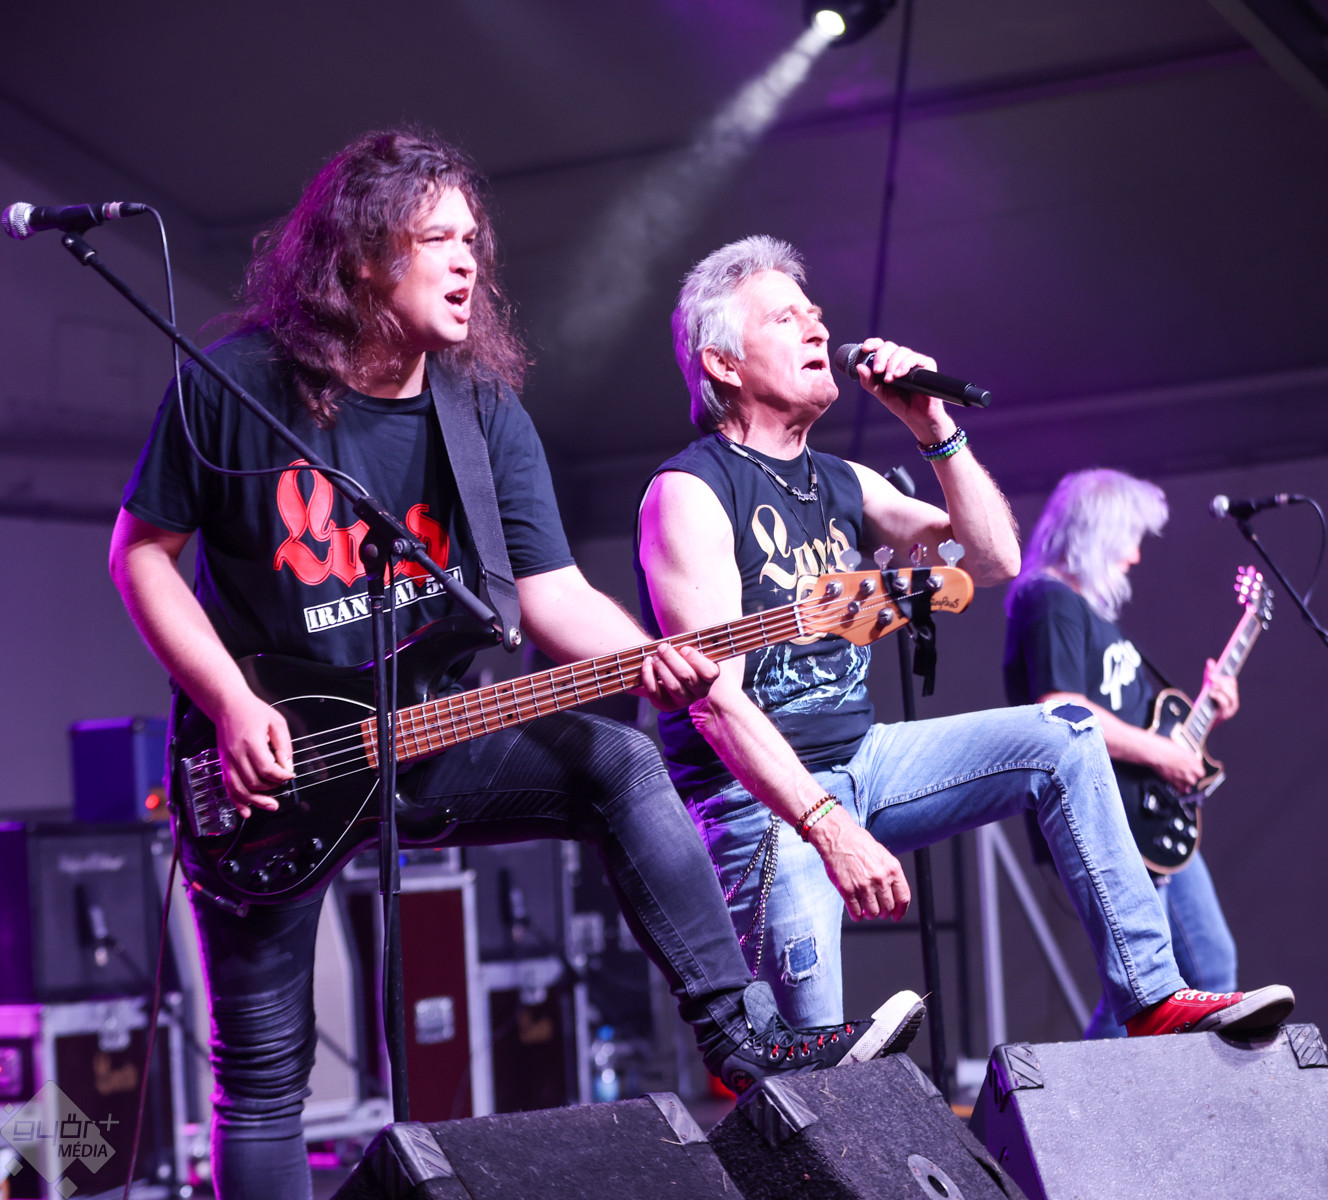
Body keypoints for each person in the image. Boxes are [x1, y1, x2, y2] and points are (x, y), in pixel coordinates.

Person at [108, 134, 920, 1200]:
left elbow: (548, 593)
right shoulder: (236, 385)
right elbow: (141, 557)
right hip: (270, 765)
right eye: (436, 239)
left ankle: (743, 1039)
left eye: (472, 241)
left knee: (620, 761)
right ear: (362, 254)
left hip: (429, 731)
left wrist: (652, 656)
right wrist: (226, 701)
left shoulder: (479, 409)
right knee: (262, 1081)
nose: (467, 262)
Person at [634, 234, 1292, 1042]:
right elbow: (715, 705)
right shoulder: (691, 492)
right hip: (758, 799)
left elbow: (991, 560)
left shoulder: (842, 481)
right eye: (785, 318)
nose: (818, 329)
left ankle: (1151, 996)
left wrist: (933, 427)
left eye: (816, 313)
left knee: (1065, 735)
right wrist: (831, 827)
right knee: (811, 1072)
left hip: (866, 760)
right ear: (723, 364)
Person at [1003, 468, 1240, 1037]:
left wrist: (1206, 713)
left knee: (1205, 968)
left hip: (1150, 823)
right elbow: (1061, 708)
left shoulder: (1089, 614)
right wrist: (1161, 754)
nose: (1134, 556)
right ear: (1097, 532)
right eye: (1128, 538)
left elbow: (1145, 725)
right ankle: (1088, 1100)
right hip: (1109, 822)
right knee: (1147, 993)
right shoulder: (1049, 599)